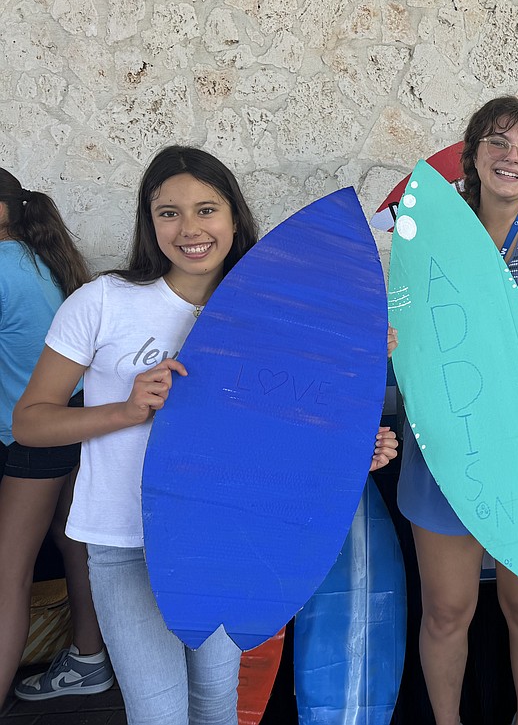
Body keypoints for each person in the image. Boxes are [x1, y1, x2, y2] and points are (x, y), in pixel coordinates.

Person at [12, 147, 399, 724]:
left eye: (206, 209)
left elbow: (286, 434)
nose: (189, 229)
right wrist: (126, 409)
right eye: (169, 212)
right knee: (158, 714)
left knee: (216, 705)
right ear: (149, 222)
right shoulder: (102, 303)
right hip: (125, 543)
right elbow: (30, 422)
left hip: (231, 535)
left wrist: (344, 453)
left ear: (234, 218)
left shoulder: (284, 319)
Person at [396, 96, 518, 725]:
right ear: (473, 153)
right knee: (447, 611)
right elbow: (412, 330)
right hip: (443, 438)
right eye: (498, 141)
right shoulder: (433, 223)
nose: (512, 156)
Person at [0, 168, 111, 705]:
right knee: (74, 543)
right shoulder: (38, 256)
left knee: (8, 575)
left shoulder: (0, 266)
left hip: (32, 433)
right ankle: (89, 660)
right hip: (74, 415)